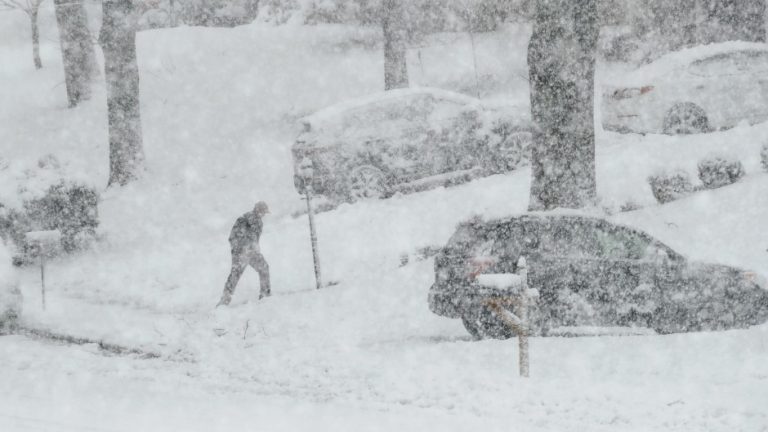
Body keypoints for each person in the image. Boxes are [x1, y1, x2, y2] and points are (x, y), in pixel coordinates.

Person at [217, 201, 271, 306]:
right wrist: (243, 249)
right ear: (259, 211)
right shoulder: (251, 220)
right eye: (264, 212)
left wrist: (237, 249)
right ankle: (265, 295)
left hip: (244, 251)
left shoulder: (246, 218)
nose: (264, 215)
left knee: (235, 275)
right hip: (244, 252)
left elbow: (232, 237)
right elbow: (246, 238)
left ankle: (224, 300)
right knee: (263, 268)